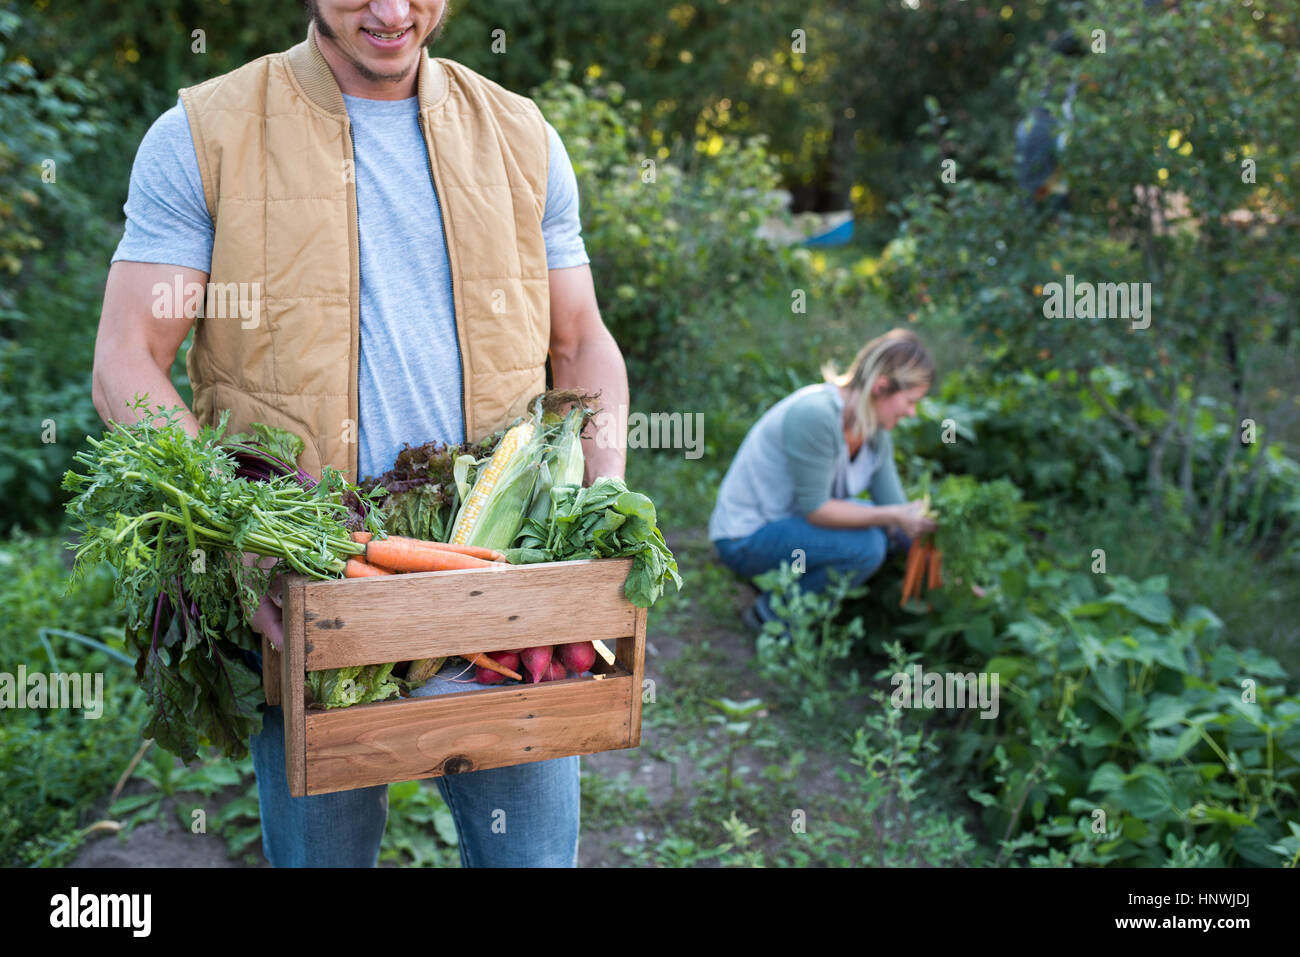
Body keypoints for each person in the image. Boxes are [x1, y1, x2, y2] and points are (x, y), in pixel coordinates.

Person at [91, 0, 629, 867]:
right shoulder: (206, 132)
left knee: (530, 860)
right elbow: (127, 360)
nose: (389, 11)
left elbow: (580, 341)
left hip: (501, 582)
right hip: (311, 580)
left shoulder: (522, 135)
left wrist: (595, 507)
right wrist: (245, 534)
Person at [709, 328, 937, 626]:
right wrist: (894, 515)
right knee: (868, 545)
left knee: (882, 527)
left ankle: (791, 591)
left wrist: (946, 567)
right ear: (882, 386)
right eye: (910, 400)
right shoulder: (816, 414)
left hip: (791, 528)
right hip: (744, 537)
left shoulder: (876, 432)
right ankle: (774, 617)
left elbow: (898, 512)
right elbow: (817, 510)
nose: (912, 412)